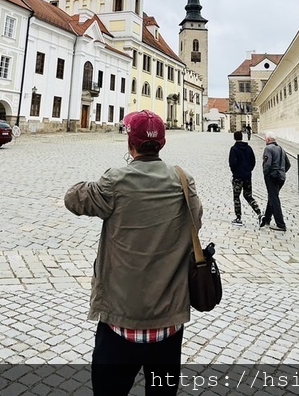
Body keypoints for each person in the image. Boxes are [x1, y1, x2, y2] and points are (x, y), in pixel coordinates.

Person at [64, 110, 202, 396]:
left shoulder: (115, 181)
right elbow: (196, 220)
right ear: (162, 144)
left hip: (119, 322)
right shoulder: (183, 182)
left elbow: (72, 198)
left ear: (131, 144)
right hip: (168, 324)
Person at [229, 130, 262, 225]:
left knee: (236, 197)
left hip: (238, 177)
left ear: (234, 138)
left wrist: (235, 172)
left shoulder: (234, 149)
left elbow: (232, 163)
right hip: (247, 176)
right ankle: (259, 213)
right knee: (248, 196)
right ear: (242, 137)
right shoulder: (248, 148)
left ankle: (238, 218)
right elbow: (253, 161)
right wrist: (248, 170)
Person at [260, 133, 290, 231]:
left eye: (266, 139)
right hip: (281, 177)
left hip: (272, 176)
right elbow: (288, 164)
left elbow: (267, 164)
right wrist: (282, 171)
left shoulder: (268, 149)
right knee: (272, 197)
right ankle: (267, 218)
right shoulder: (281, 149)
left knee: (274, 199)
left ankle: (280, 224)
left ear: (268, 139)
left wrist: (266, 174)